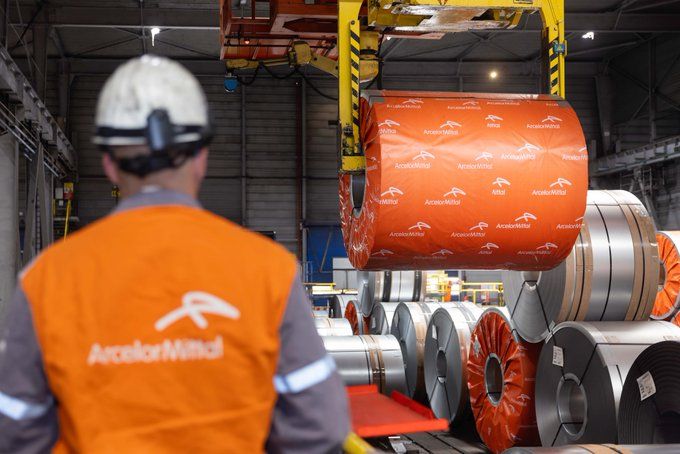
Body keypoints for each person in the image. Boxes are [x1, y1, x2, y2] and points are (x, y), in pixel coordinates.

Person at [0, 55, 349, 453]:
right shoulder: (267, 271)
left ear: (110, 164)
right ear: (201, 157)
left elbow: (16, 433)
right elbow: (319, 428)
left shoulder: (49, 280)